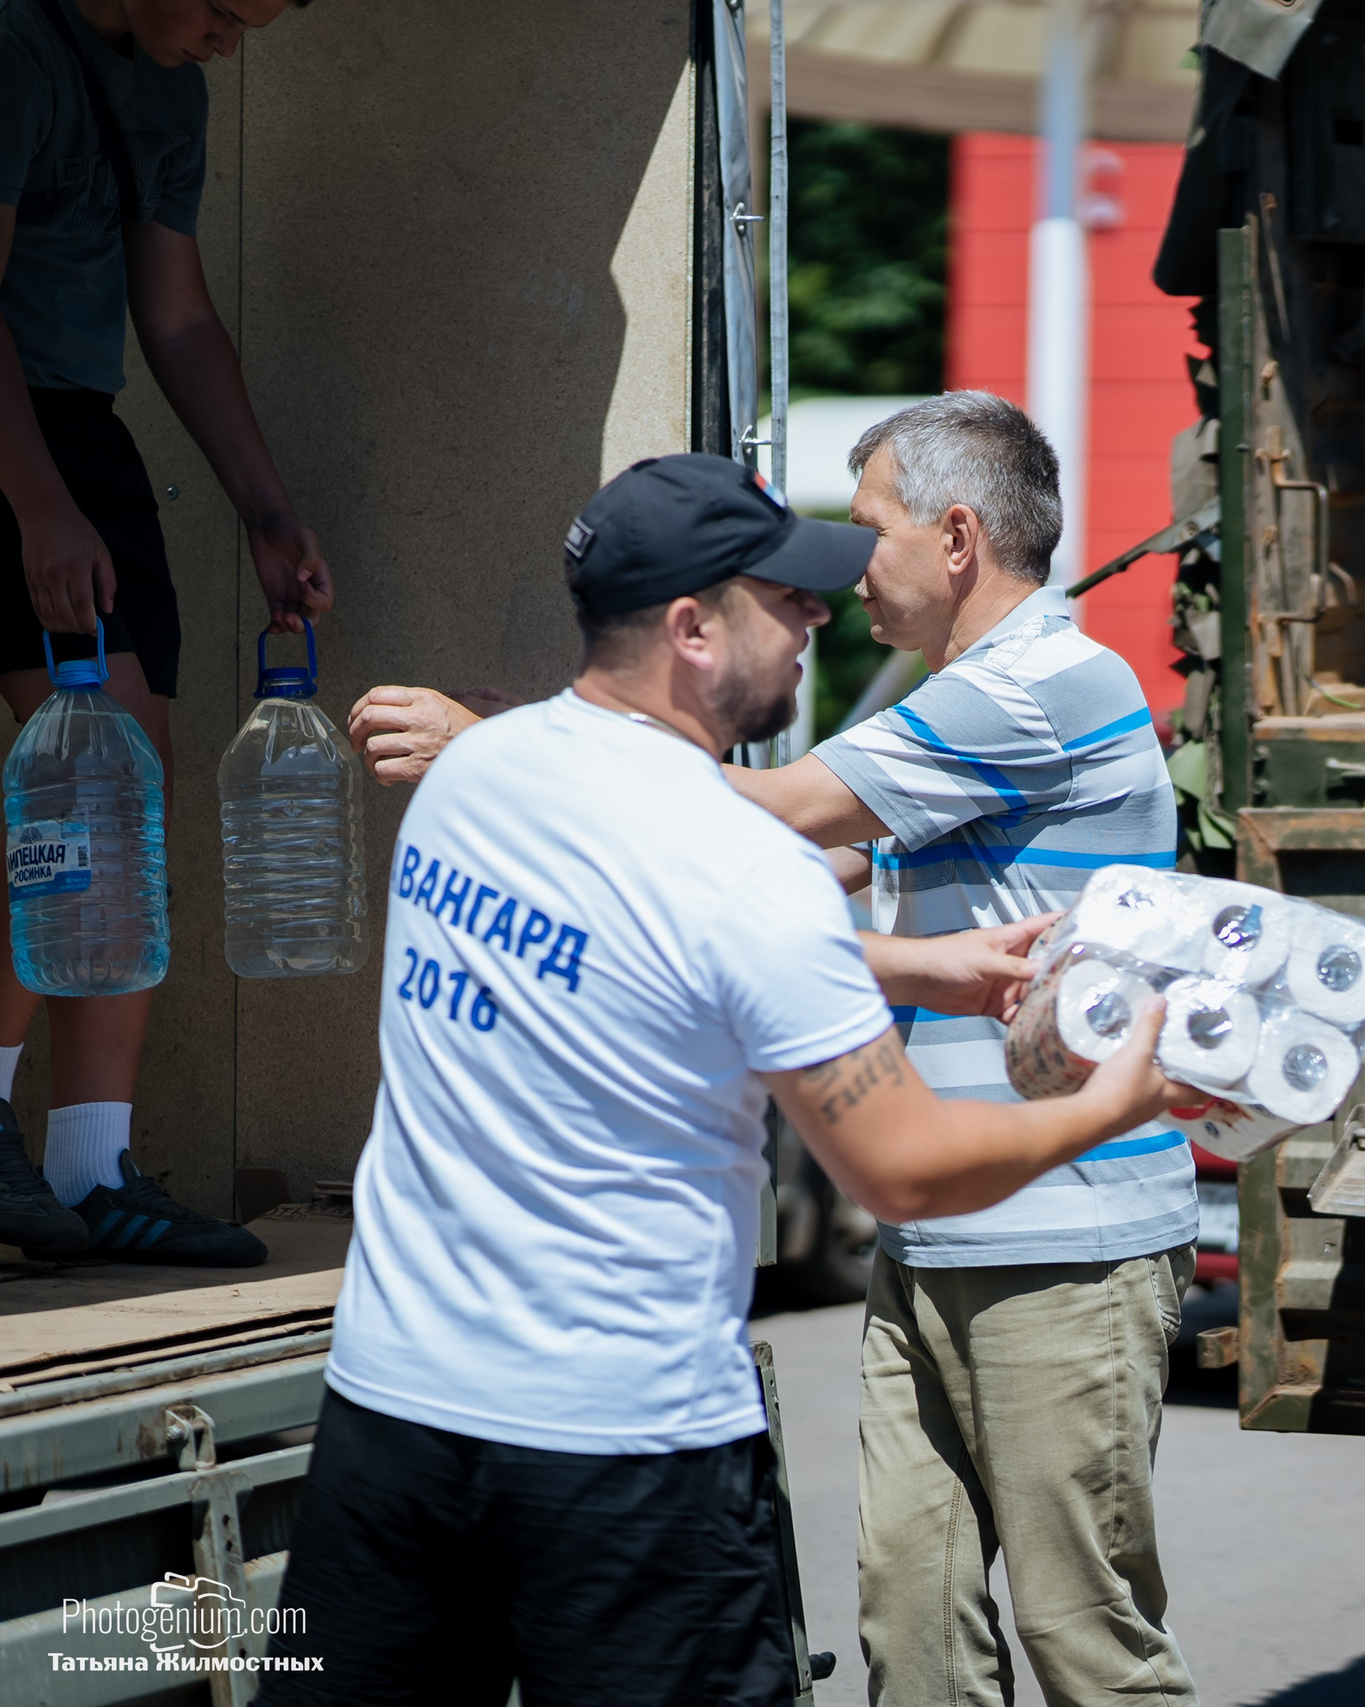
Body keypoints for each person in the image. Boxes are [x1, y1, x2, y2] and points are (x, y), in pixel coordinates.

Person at [256, 452, 1189, 1706]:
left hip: (389, 1418)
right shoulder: (741, 876)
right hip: (621, 1455)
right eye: (786, 598)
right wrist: (1111, 1104)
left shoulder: (475, 777)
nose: (818, 615)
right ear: (693, 631)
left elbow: (661, 938)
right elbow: (897, 1161)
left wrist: (917, 963)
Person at [0, 0, 331, 1266]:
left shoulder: (173, 87)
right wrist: (36, 506)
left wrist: (266, 507)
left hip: (86, 430)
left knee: (128, 786)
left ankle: (93, 1166)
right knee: (83, 790)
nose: (234, 38)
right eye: (225, 7)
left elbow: (178, 317)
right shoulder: (20, 54)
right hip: (19, 443)